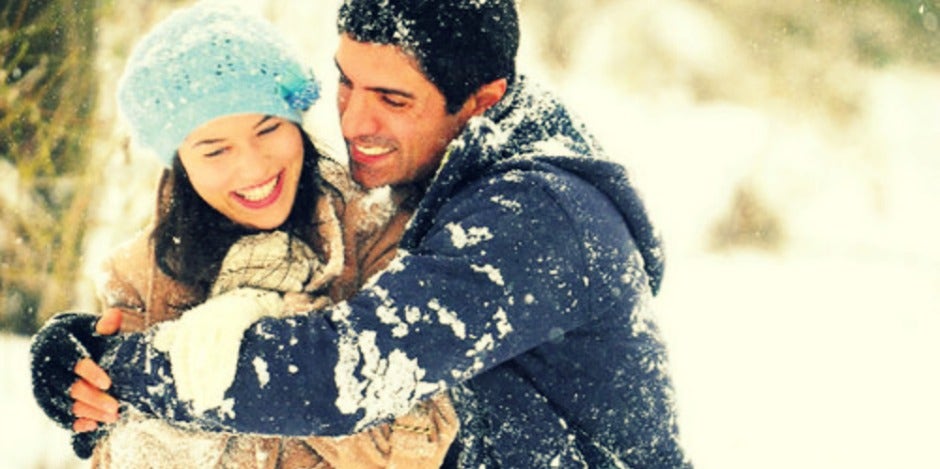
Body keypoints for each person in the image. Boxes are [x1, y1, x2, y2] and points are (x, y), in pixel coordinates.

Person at [32, 0, 693, 466]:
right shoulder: (440, 172)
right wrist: (79, 366)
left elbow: (338, 373)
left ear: (483, 101)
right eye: (346, 84)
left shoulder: (531, 218)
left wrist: (119, 366)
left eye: (393, 100)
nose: (353, 122)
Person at [29, 2, 456, 467]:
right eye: (215, 151)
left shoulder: (381, 231)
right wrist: (89, 381)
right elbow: (123, 453)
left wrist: (270, 324)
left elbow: (420, 442)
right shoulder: (141, 275)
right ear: (180, 163)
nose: (253, 168)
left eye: (268, 129)